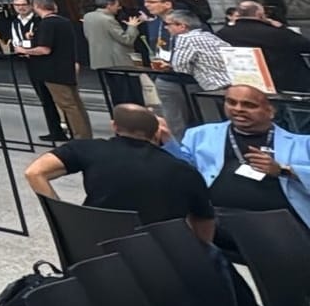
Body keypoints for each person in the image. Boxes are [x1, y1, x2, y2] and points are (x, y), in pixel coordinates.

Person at [23, 103, 216, 242]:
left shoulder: (86, 149)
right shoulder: (184, 170)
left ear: (114, 126)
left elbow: (34, 172)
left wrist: (62, 216)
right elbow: (204, 221)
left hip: (95, 248)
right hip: (159, 254)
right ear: (157, 132)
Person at [163, 85, 310, 227]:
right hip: (217, 220)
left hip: (281, 223)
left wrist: (283, 170)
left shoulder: (302, 144)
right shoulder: (200, 135)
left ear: (270, 111)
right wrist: (167, 142)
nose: (238, 109)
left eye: (249, 105)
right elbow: (182, 170)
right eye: (231, 102)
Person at [19, 0, 92, 142]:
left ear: (36, 7)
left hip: (53, 70)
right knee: (75, 104)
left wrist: (25, 50)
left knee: (68, 105)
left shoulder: (47, 24)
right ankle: (84, 134)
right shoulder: (64, 22)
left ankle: (81, 138)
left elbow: (45, 49)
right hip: (66, 67)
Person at [6, 0, 67, 142]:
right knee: (44, 97)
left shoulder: (40, 20)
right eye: (17, 5)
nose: (20, 8)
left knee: (58, 96)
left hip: (45, 60)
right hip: (30, 61)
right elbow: (15, 39)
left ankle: (68, 127)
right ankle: (55, 130)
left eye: (23, 5)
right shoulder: (15, 22)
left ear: (31, 6)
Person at [219, 0, 310, 94]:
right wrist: (282, 27)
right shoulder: (275, 33)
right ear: (259, 14)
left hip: (245, 83)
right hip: (286, 83)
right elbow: (305, 45)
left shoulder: (223, 33)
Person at [141, 0, 192, 137]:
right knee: (174, 122)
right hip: (165, 79)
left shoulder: (186, 22)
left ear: (167, 4)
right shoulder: (154, 23)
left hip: (189, 79)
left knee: (199, 117)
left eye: (152, 2)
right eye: (146, 1)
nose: (147, 5)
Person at [83, 0, 146, 110]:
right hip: (118, 61)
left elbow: (88, 36)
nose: (119, 8)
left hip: (101, 60)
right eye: (117, 5)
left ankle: (119, 114)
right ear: (109, 5)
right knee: (128, 93)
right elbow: (126, 39)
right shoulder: (107, 19)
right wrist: (132, 27)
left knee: (115, 92)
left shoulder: (88, 17)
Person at [166, 10, 234, 93]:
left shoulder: (185, 38)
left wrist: (169, 67)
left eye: (168, 24)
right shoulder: (208, 35)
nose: (166, 27)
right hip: (232, 82)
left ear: (182, 26)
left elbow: (180, 67)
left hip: (215, 86)